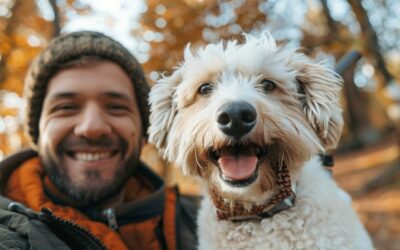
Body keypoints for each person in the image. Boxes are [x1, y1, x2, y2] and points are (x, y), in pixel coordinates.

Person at [0, 31, 198, 250]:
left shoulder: (210, 223)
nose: (92, 128)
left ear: (144, 132)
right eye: (66, 107)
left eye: (116, 107)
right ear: (39, 131)